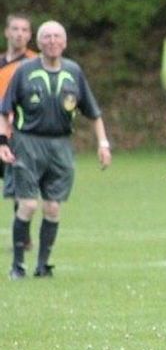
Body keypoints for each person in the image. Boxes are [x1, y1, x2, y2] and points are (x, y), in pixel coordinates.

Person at [0, 20, 112, 280]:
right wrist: (3, 142)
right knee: (27, 205)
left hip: (61, 145)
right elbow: (4, 110)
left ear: (65, 42)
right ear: (38, 43)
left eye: (57, 36)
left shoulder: (73, 71)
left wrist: (103, 144)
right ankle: (18, 265)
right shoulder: (25, 70)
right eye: (46, 37)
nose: (52, 41)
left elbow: (93, 113)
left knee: (52, 208)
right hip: (27, 142)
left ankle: (43, 265)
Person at [1, 13, 37, 226]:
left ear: (30, 35)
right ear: (7, 32)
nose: (19, 34)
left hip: (19, 133)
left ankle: (21, 235)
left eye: (24, 30)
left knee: (19, 184)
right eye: (15, 29)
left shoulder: (35, 63)